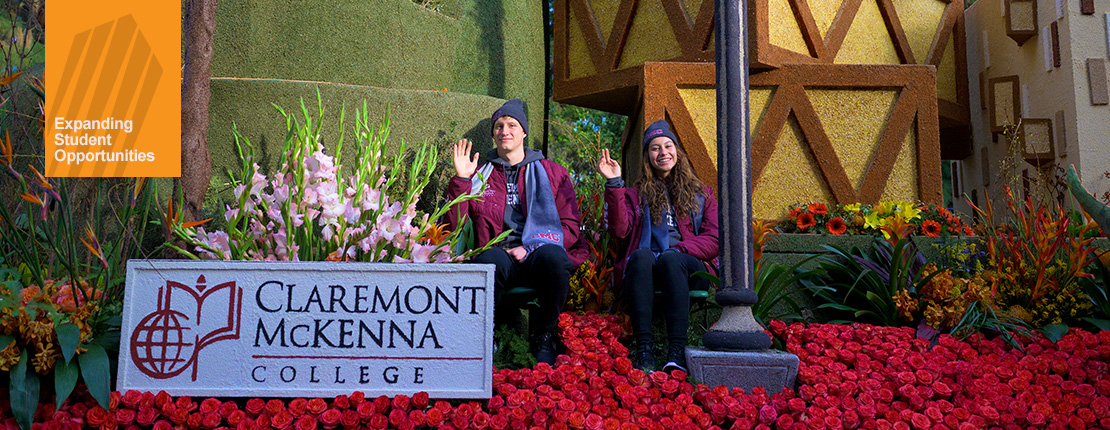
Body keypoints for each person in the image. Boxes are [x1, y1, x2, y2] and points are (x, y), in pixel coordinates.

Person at [444, 99, 587, 365]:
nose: (504, 130)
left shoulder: (553, 173)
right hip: (499, 255)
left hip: (537, 254)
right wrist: (462, 181)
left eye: (512, 124)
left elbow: (569, 227)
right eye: (498, 126)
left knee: (554, 257)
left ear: (523, 132)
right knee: (490, 261)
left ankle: (544, 335)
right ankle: (489, 337)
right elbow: (455, 227)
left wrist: (531, 246)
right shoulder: (479, 175)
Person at [598, 120, 719, 373]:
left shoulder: (702, 194)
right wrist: (614, 184)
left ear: (677, 151)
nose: (663, 152)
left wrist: (680, 250)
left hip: (688, 268)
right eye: (655, 148)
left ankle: (676, 352)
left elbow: (714, 239)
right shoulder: (633, 195)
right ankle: (644, 350)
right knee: (641, 256)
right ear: (647, 156)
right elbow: (620, 231)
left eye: (668, 145)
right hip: (647, 269)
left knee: (671, 259)